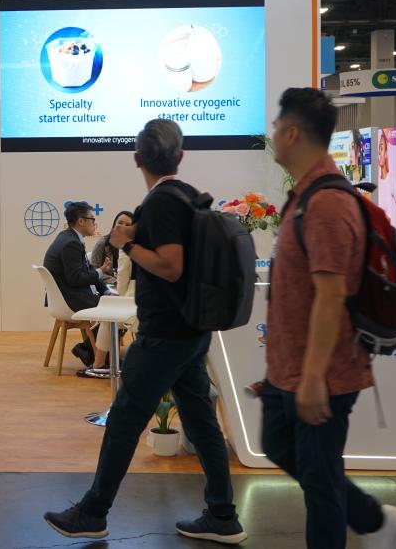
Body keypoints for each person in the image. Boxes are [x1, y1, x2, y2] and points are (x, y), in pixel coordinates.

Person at [44, 119, 245, 544]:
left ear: (137, 159)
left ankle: (93, 513)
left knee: (124, 421)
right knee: (201, 422)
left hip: (165, 335)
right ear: (180, 156)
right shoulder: (187, 196)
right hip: (190, 330)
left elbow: (170, 266)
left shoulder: (161, 203)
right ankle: (222, 515)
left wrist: (127, 245)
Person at [261, 87, 396, 548]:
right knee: (281, 447)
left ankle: (373, 521)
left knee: (321, 483)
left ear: (292, 134)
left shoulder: (326, 203)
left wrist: (312, 378)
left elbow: (331, 297)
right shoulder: (306, 195)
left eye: (276, 127)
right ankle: (374, 519)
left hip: (322, 372)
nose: (272, 135)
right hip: (290, 368)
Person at [42, 202, 112, 377]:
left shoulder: (68, 237)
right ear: (81, 221)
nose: (94, 223)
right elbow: (76, 279)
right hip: (69, 298)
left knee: (112, 302)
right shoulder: (71, 243)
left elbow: (86, 271)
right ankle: (95, 358)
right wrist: (100, 273)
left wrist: (106, 290)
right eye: (92, 219)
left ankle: (89, 350)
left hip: (66, 295)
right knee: (114, 310)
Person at [89, 211, 138, 372]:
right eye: (120, 222)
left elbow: (123, 283)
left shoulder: (127, 249)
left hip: (132, 300)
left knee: (109, 316)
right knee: (110, 312)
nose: (123, 227)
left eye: (127, 224)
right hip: (108, 286)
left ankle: (98, 363)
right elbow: (94, 271)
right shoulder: (103, 243)